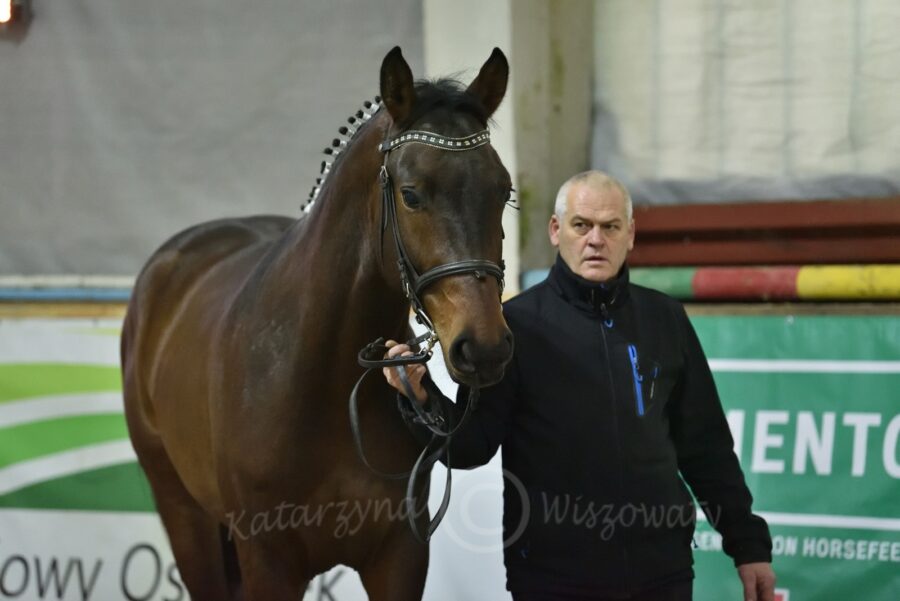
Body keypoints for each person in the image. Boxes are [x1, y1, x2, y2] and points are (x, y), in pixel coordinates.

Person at [384, 170, 775, 601]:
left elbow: (707, 450)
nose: (596, 240)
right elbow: (471, 445)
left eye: (610, 227)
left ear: (630, 235)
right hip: (554, 580)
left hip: (663, 573)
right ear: (556, 230)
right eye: (581, 225)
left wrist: (749, 547)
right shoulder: (515, 327)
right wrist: (422, 398)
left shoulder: (666, 319)